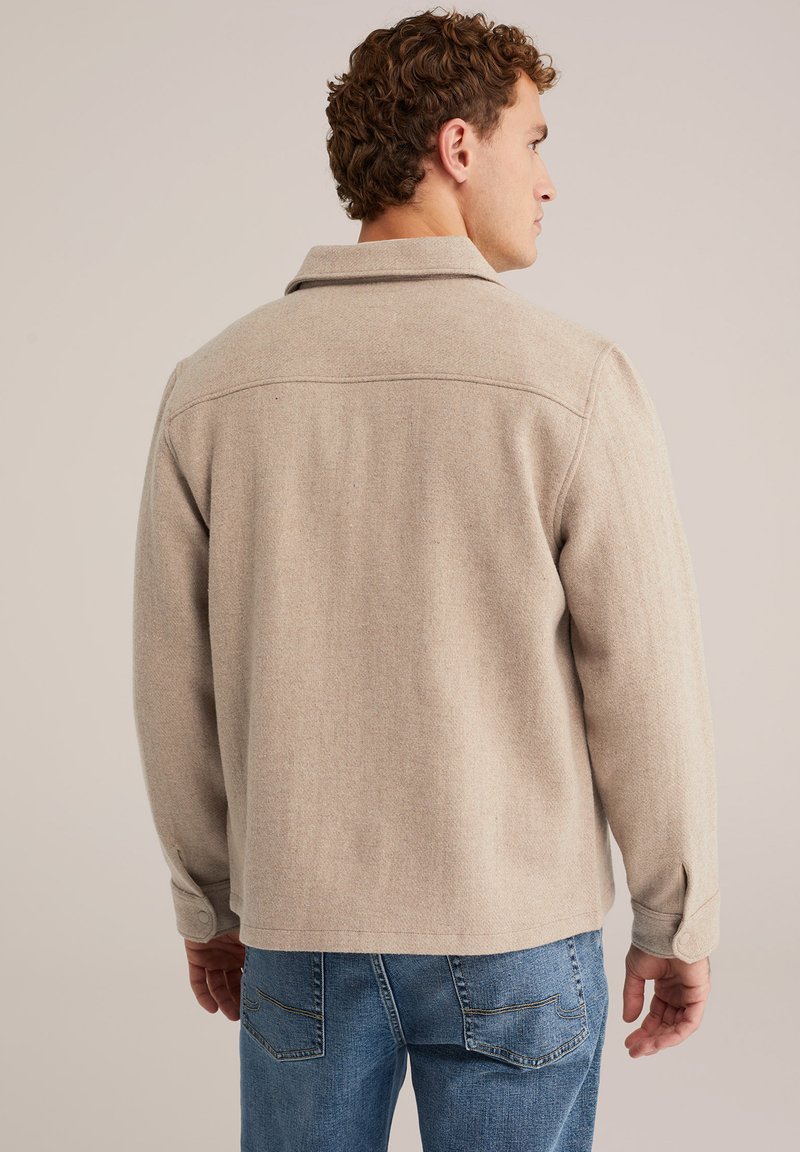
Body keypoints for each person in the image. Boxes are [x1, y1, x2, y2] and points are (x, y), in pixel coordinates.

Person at [132, 8, 720, 1150]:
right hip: (516, 932)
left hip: (298, 927)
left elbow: (173, 684)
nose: (547, 181)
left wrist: (208, 900)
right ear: (458, 146)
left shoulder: (212, 388)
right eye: (533, 141)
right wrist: (675, 911)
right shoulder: (572, 383)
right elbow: (644, 681)